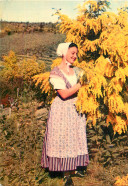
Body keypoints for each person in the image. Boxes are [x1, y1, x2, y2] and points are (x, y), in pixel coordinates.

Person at [41, 42, 89, 186]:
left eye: (76, 53)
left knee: (75, 138)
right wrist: (81, 84)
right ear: (64, 53)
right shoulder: (56, 72)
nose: (75, 56)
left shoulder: (76, 70)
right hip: (62, 110)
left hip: (76, 108)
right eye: (72, 53)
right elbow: (64, 93)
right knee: (63, 139)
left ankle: (74, 168)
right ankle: (66, 174)